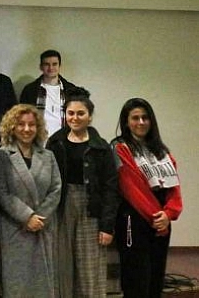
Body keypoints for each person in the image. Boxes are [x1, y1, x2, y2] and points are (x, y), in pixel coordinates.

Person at [45, 87, 119, 297]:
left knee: (90, 267)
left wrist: (107, 226)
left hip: (91, 208)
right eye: (70, 113)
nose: (75, 118)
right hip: (62, 206)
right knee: (62, 265)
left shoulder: (101, 147)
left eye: (80, 113)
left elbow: (111, 189)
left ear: (90, 116)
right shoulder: (55, 143)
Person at [111, 98, 182, 298]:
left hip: (161, 221)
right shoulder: (119, 147)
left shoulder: (162, 151)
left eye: (145, 117)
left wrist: (169, 214)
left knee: (155, 280)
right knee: (137, 281)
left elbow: (174, 187)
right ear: (126, 122)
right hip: (135, 219)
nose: (141, 122)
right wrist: (157, 218)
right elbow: (131, 187)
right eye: (135, 118)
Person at [0, 104, 62, 298]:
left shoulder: (48, 156)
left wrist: (40, 217)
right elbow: (1, 192)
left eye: (32, 124)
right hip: (14, 228)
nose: (27, 129)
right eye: (21, 124)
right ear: (12, 127)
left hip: (43, 228)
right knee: (17, 286)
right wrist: (27, 217)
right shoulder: (3, 155)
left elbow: (56, 189)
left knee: (42, 288)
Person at [20, 49, 76, 136]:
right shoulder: (30, 90)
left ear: (60, 66)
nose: (51, 68)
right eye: (47, 64)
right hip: (37, 139)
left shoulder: (71, 90)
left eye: (54, 64)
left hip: (64, 139)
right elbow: (22, 117)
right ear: (41, 67)